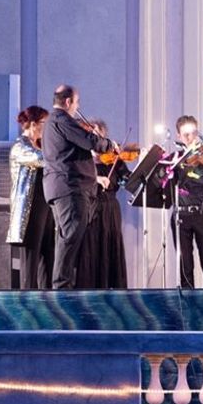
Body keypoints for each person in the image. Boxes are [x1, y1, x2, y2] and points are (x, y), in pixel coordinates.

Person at [42, 84, 116, 289]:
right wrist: (108, 144)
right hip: (69, 188)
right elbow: (88, 141)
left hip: (58, 187)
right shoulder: (62, 119)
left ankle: (62, 285)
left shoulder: (52, 122)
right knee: (70, 235)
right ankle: (62, 287)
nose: (77, 107)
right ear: (68, 102)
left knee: (67, 236)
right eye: (77, 102)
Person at [166, 115, 203, 289]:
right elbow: (164, 181)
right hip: (181, 215)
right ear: (178, 136)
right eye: (186, 135)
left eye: (193, 133)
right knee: (185, 268)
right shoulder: (175, 158)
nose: (191, 138)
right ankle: (188, 309)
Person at [75, 119, 130, 289]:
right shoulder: (81, 160)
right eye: (91, 136)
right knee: (90, 249)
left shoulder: (115, 159)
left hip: (111, 209)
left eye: (98, 136)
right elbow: (75, 181)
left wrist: (141, 160)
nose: (95, 139)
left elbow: (127, 180)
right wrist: (96, 179)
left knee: (110, 246)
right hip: (90, 208)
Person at [6, 105, 55, 289]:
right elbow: (41, 159)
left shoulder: (40, 145)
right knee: (31, 259)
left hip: (45, 206)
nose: (47, 127)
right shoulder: (21, 146)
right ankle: (29, 299)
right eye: (45, 123)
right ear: (33, 125)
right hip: (31, 209)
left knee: (47, 254)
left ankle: (46, 296)